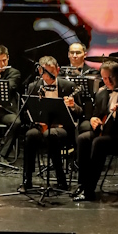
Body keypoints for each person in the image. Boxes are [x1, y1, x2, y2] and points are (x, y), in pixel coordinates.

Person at [20, 55, 82, 192]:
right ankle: (26, 180)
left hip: (62, 129)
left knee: (51, 135)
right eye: (45, 72)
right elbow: (26, 113)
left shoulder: (69, 86)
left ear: (58, 70)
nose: (49, 76)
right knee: (30, 135)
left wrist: (73, 106)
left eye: (52, 72)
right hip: (42, 126)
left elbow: (80, 113)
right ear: (40, 71)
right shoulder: (33, 87)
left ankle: (61, 179)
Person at [73, 60, 118, 202]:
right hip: (104, 132)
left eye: (110, 78)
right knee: (83, 138)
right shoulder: (101, 93)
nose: (107, 82)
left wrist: (117, 114)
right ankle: (82, 184)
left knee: (99, 143)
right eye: (104, 78)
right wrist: (93, 119)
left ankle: (89, 190)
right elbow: (96, 115)